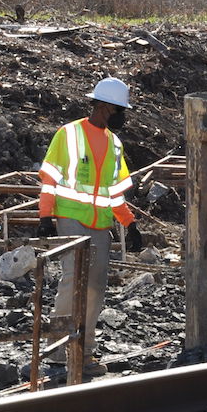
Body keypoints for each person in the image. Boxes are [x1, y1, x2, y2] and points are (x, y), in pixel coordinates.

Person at [36, 76, 144, 377]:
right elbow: (50, 179)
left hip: (100, 224)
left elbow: (114, 193)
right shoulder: (68, 134)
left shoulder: (114, 144)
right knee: (74, 281)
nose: (124, 116)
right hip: (71, 219)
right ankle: (58, 350)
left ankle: (82, 350)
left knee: (95, 286)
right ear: (107, 107)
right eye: (121, 110)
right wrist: (45, 216)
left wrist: (129, 224)